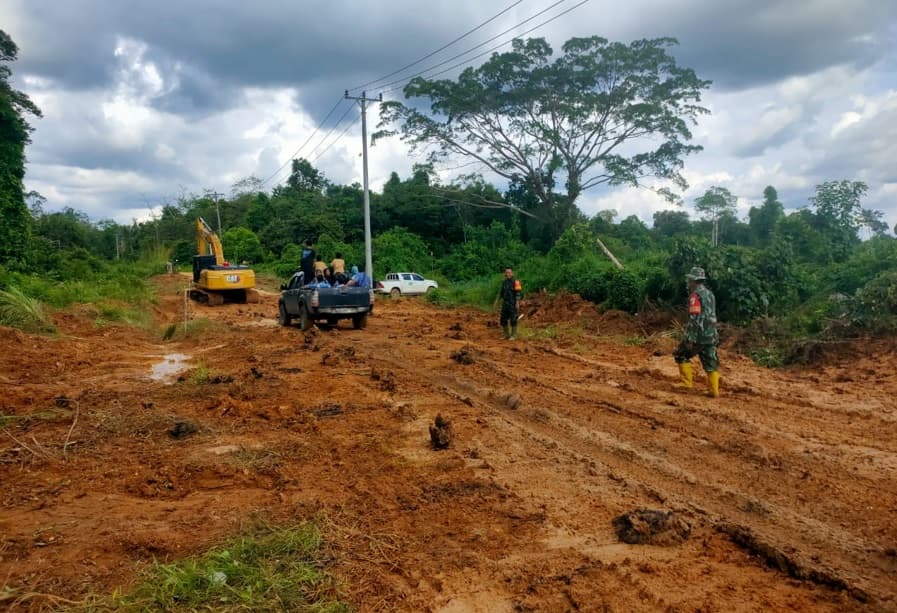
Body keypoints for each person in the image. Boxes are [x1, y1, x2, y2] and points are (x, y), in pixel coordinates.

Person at [674, 266, 720, 398]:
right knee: (711, 362)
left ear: (694, 280)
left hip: (699, 335)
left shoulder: (695, 296)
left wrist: (689, 337)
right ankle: (714, 390)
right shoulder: (710, 294)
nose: (689, 283)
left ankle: (686, 384)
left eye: (690, 280)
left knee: (680, 354)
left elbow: (694, 317)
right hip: (711, 334)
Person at [495, 267, 523, 340]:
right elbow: (501, 293)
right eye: (506, 272)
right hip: (505, 303)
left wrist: (517, 303)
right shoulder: (504, 282)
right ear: (505, 274)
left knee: (513, 319)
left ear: (512, 273)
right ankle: (506, 335)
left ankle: (513, 335)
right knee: (503, 319)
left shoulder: (516, 282)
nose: (508, 274)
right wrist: (496, 301)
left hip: (513, 303)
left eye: (509, 272)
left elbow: (518, 293)